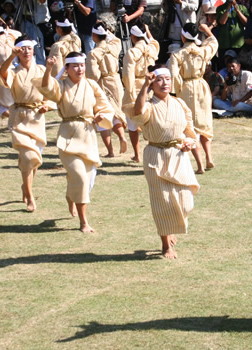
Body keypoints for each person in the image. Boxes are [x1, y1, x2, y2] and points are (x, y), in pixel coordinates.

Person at [39, 52, 115, 232]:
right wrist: (49, 68)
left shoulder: (91, 85)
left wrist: (101, 115)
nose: (80, 69)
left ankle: (70, 195)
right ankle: (83, 222)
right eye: (75, 66)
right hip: (67, 137)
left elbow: (105, 106)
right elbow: (47, 88)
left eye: (82, 65)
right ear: (67, 68)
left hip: (87, 135)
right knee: (80, 177)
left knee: (87, 179)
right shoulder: (61, 85)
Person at [132, 66, 200, 259]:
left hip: (178, 155)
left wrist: (189, 142)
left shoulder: (180, 104)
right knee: (162, 201)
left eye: (167, 79)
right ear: (152, 84)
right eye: (159, 80)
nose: (164, 83)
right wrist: (144, 86)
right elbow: (137, 112)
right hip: (156, 156)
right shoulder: (149, 105)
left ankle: (171, 229)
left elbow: (190, 131)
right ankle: (165, 245)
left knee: (186, 202)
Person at [0, 36, 49, 212]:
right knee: (27, 158)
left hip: (37, 117)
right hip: (19, 117)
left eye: (29, 48)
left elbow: (51, 90)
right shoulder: (13, 71)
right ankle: (30, 197)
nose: (27, 51)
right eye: (23, 49)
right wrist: (11, 57)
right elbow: (2, 73)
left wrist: (47, 105)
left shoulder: (41, 69)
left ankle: (25, 187)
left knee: (34, 159)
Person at [169, 23, 218, 174]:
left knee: (191, 126)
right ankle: (209, 157)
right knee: (204, 123)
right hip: (201, 85)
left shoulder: (177, 54)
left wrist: (175, 92)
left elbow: (174, 75)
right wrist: (207, 30)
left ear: (183, 36)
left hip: (186, 87)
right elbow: (214, 42)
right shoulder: (202, 51)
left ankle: (200, 164)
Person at [86, 23, 128, 158]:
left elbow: (93, 75)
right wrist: (106, 31)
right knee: (116, 113)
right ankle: (122, 136)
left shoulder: (93, 53)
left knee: (102, 114)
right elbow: (116, 39)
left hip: (103, 83)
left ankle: (110, 150)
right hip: (116, 81)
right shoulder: (114, 46)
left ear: (94, 36)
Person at [122, 24, 159, 163]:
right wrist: (148, 31)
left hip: (137, 88)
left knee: (132, 124)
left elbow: (127, 74)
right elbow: (154, 41)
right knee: (151, 121)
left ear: (133, 37)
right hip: (150, 87)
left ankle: (137, 154)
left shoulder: (132, 52)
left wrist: (130, 92)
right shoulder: (152, 48)